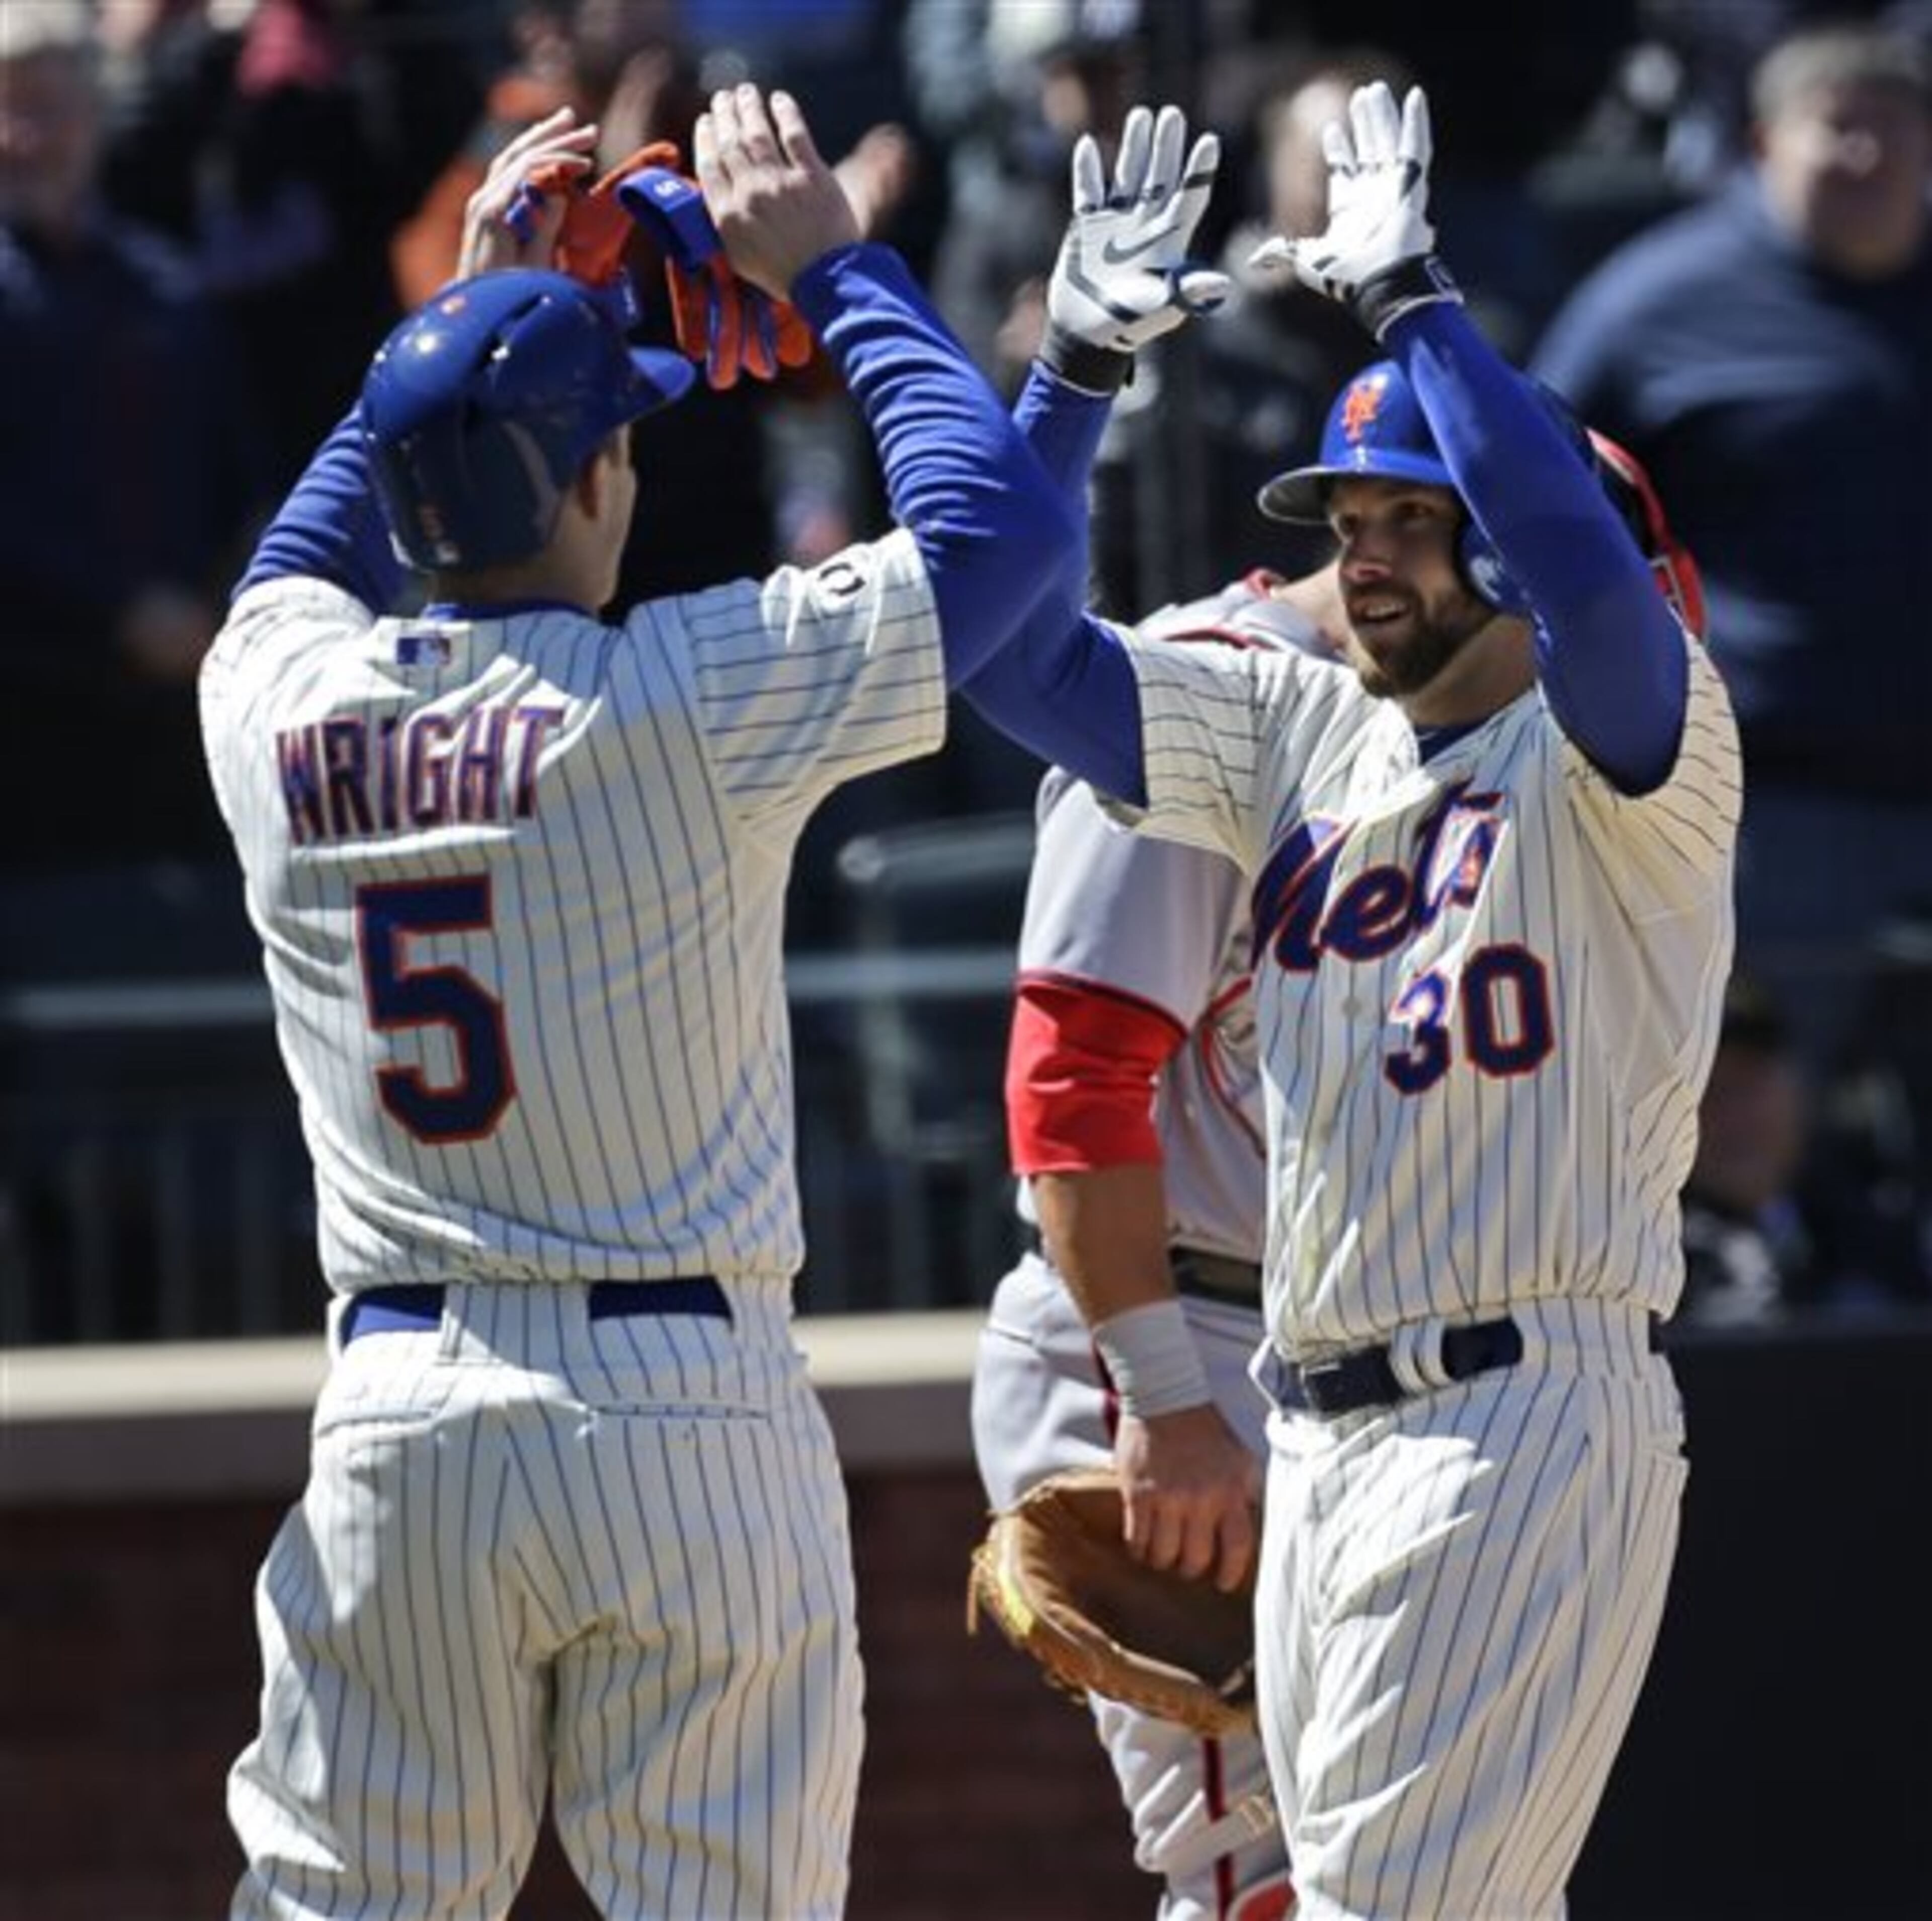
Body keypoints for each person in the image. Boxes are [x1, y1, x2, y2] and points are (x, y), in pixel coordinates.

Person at [198, 74, 1158, 1914]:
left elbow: (304, 550)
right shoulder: (681, 693)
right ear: (595, 476)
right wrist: (847, 273)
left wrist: (449, 325)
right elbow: (1005, 552)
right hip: (678, 1398)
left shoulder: (277, 701)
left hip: (400, 1410)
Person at [963, 79, 1742, 1917]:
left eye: (1418, 513)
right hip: (1313, 1431)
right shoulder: (1303, 732)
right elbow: (1002, 643)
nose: (1366, 548)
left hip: (1514, 1412)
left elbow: (1596, 594)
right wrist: (1073, 373)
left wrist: (1420, 310)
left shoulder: (1640, 754)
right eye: (1352, 513)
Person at [973, 564, 1344, 1921]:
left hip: (1298, 1346)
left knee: (1382, 1852)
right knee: (1258, 1875)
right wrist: (1165, 1403)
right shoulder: (1197, 693)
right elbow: (1069, 1082)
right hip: (1167, 1342)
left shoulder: (1410, 728)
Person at [1531, 19, 1932, 1089]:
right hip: (1768, 803)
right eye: (1837, 129)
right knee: (1728, 1119)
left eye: (1894, 130)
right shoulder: (1659, 300)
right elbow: (1541, 496)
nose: (1867, 156)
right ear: (1762, 146)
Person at [0, 1, 271, 873]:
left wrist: (225, 603)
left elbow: (239, 468)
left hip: (175, 703)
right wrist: (117, 612)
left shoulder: (163, 286)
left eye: (47, 107)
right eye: (5, 108)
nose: (24, 137)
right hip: (27, 713)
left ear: (95, 115)